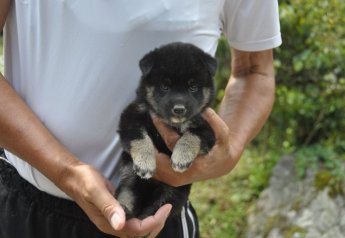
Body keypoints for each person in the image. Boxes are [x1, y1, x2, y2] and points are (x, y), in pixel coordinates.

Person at [0, 0, 281, 237]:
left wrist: (229, 149)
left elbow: (254, 72)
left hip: (155, 215)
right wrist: (67, 172)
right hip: (23, 206)